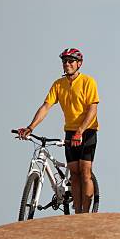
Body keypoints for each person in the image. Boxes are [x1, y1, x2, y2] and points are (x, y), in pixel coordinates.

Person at [17, 48, 99, 214]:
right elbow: (46, 106)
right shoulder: (58, 84)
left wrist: (81, 131)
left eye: (70, 61)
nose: (67, 64)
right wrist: (30, 127)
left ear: (79, 64)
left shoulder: (88, 82)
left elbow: (93, 109)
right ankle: (78, 213)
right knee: (74, 174)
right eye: (64, 62)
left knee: (85, 172)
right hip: (70, 131)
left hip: (87, 130)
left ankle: (87, 214)